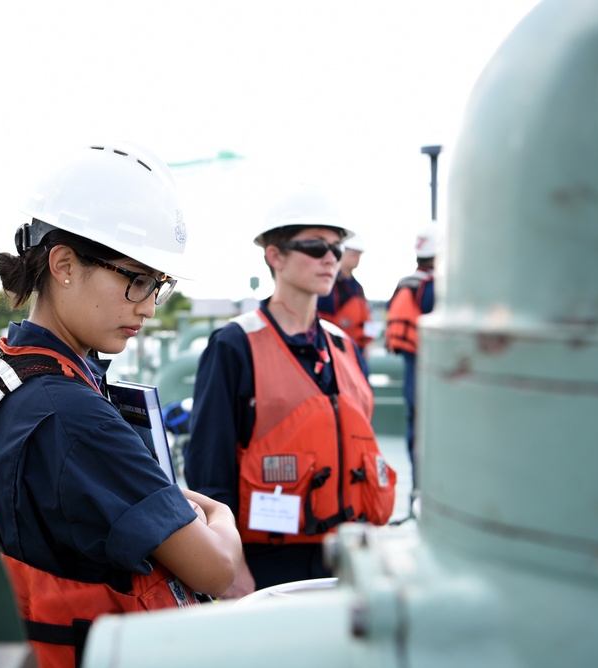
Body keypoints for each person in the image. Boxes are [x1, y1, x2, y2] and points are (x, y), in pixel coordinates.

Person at [0, 142, 242, 668]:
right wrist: (217, 512)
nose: (150, 307)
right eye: (136, 280)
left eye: (159, 285)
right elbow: (218, 568)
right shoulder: (71, 416)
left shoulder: (17, 372)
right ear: (63, 264)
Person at [184, 184, 397, 599]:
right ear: (275, 256)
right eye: (315, 247)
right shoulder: (234, 345)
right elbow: (210, 470)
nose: (331, 258)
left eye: (336, 248)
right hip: (266, 564)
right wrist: (232, 569)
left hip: (347, 557)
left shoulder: (343, 346)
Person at [385, 224, 437, 500]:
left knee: (413, 426)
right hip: (429, 367)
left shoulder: (406, 283)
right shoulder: (433, 287)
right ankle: (426, 487)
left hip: (410, 363)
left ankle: (417, 486)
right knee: (430, 427)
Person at [317, 234, 373, 376]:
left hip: (358, 350)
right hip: (337, 351)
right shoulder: (329, 286)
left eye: (359, 254)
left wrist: (368, 343)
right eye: (354, 254)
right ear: (342, 252)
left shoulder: (358, 288)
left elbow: (366, 318)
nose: (357, 258)